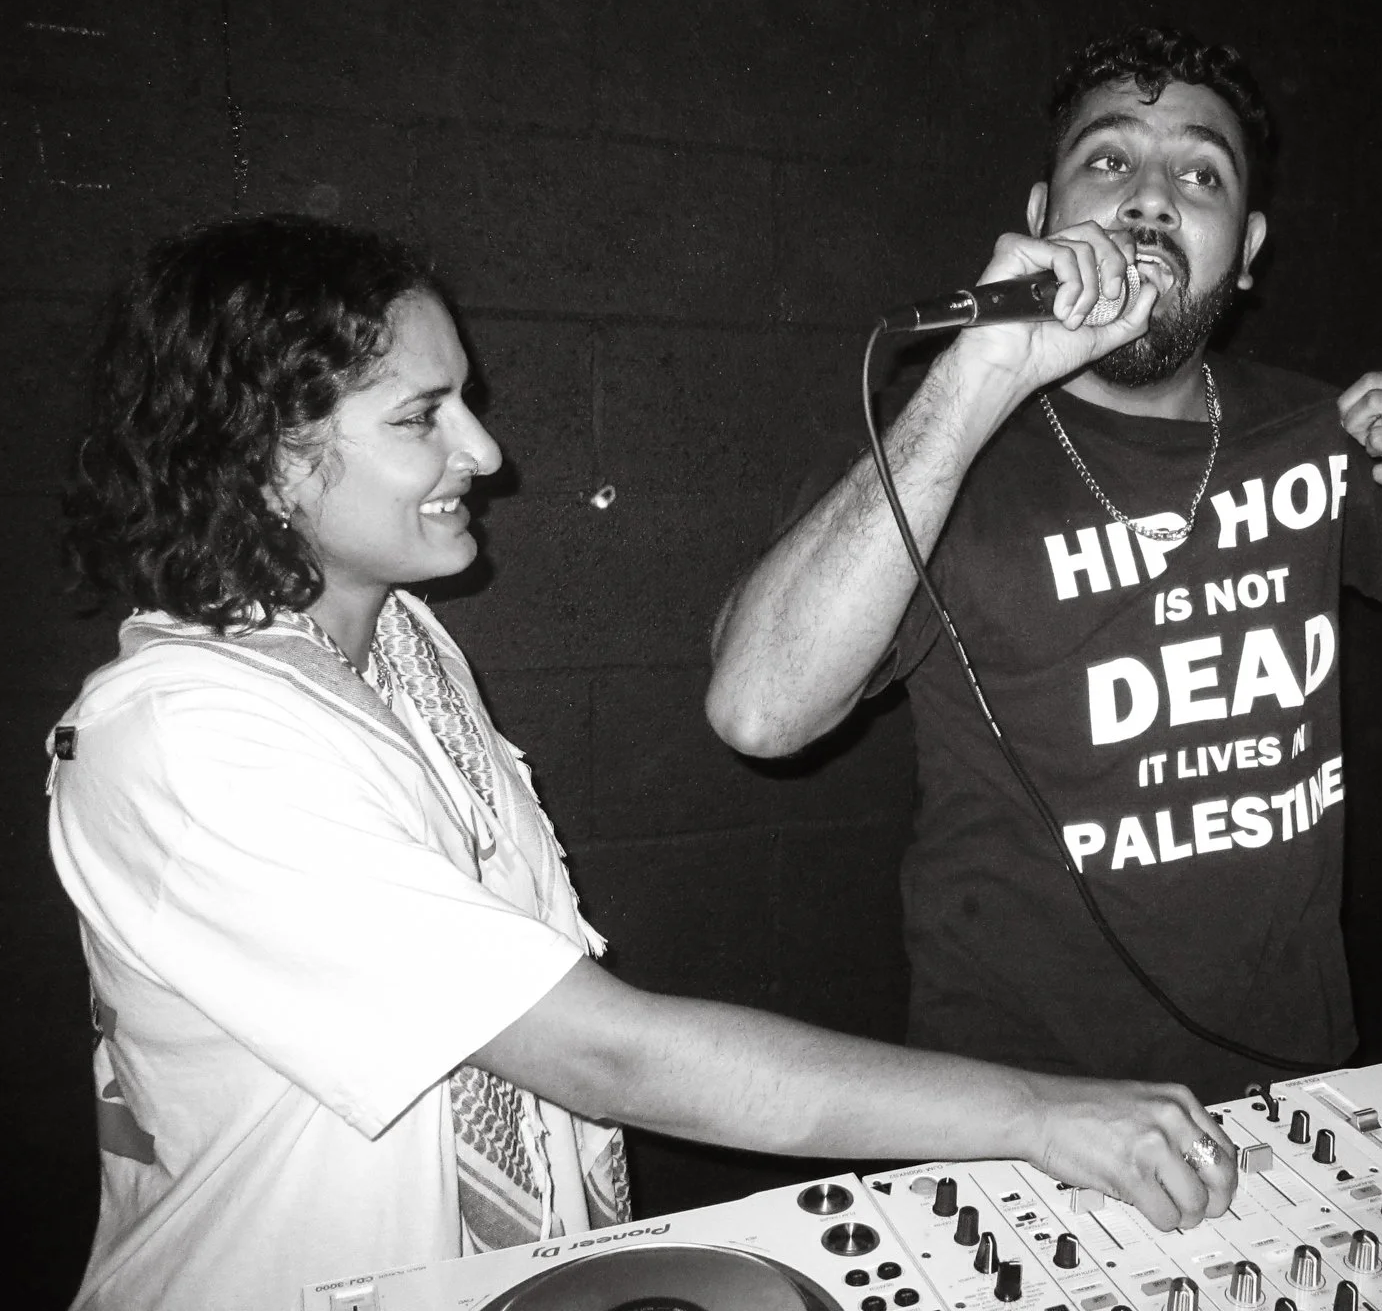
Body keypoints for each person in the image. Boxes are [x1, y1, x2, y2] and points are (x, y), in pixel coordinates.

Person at [47, 215, 1234, 1311]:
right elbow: (600, 1053)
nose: (483, 450)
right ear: (263, 455)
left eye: (464, 403)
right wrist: (1036, 1114)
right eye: (420, 417)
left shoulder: (397, 644)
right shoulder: (186, 740)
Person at [706, 27, 1382, 1103]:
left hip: (1293, 1086)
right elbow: (758, 712)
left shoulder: (1313, 431)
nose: (1149, 198)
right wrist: (977, 374)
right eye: (1108, 160)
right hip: (1019, 1112)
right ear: (1042, 214)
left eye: (1200, 174)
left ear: (1246, 249)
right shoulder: (942, 447)